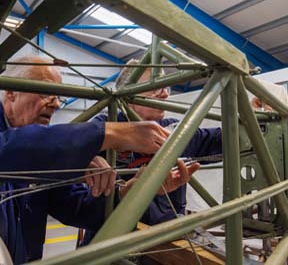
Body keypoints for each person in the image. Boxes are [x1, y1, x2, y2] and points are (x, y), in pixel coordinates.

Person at [0, 56, 198, 263]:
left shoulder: (42, 155)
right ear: (10, 92)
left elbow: (77, 206)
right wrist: (106, 134)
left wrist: (132, 192)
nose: (57, 103)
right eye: (46, 92)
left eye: (59, 95)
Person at [81, 60, 222, 245]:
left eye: (166, 88)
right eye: (155, 87)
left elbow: (218, 140)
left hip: (165, 241)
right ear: (129, 93)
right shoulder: (104, 127)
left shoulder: (173, 130)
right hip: (111, 239)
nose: (164, 94)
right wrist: (91, 158)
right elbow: (72, 151)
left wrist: (251, 118)